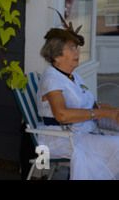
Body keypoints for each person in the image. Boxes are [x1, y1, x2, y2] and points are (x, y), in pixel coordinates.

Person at [36, 11, 119, 180]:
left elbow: (82, 102)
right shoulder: (51, 79)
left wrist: (103, 107)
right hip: (60, 137)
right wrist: (101, 113)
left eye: (77, 48)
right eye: (71, 49)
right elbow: (61, 114)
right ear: (57, 55)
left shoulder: (73, 76)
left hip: (81, 131)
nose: (78, 53)